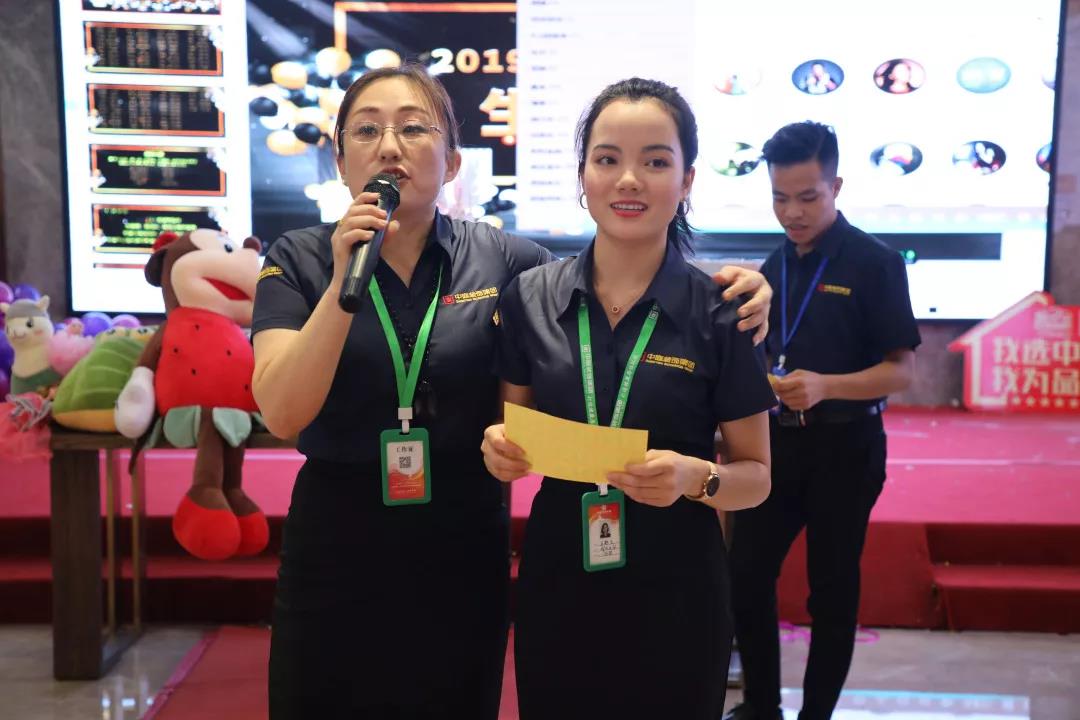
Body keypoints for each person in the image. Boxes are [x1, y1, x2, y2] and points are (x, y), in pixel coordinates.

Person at [250, 64, 773, 718]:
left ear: (453, 161)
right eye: (366, 130)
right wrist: (342, 282)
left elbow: (612, 283)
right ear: (339, 160)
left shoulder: (507, 263)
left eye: (413, 128)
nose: (389, 146)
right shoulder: (299, 259)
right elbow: (282, 412)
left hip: (462, 542)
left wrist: (741, 288)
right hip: (338, 540)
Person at [481, 77, 775, 720]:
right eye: (608, 158)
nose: (629, 180)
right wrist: (499, 449)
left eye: (656, 161)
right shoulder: (530, 297)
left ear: (687, 180)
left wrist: (696, 477)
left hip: (679, 585)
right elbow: (509, 431)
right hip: (559, 575)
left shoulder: (723, 310)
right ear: (582, 176)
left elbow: (756, 479)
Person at [723, 121, 920, 720]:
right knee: (745, 575)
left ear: (835, 186)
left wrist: (826, 386)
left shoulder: (875, 263)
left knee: (831, 590)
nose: (793, 212)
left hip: (847, 447)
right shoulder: (773, 267)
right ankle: (761, 706)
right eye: (780, 198)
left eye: (808, 197)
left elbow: (902, 371)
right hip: (779, 448)